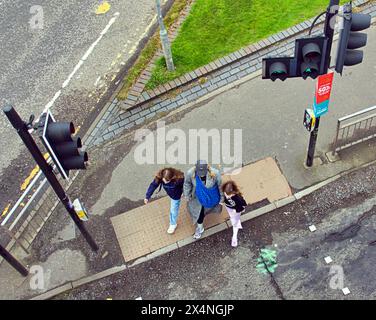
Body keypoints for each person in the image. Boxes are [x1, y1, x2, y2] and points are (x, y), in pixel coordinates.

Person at [183, 160, 223, 239]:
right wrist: (187, 195)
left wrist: (222, 199)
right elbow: (187, 184)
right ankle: (200, 228)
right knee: (199, 213)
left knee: (207, 209)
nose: (201, 175)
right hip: (197, 197)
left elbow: (220, 186)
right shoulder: (190, 173)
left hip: (210, 196)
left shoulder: (215, 173)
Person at [144, 168, 184, 234]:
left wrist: (184, 192)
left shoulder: (179, 179)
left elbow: (185, 185)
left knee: (173, 210)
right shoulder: (160, 177)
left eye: (167, 180)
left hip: (176, 196)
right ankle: (173, 224)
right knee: (173, 210)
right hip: (172, 195)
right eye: (164, 180)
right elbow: (153, 185)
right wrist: (147, 196)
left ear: (172, 177)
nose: (165, 182)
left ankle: (172, 224)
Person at [221, 180, 247, 247]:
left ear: (233, 193)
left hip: (235, 210)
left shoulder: (238, 198)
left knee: (235, 223)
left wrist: (236, 211)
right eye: (225, 194)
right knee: (234, 220)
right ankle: (234, 236)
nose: (227, 196)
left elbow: (242, 207)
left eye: (228, 195)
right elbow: (225, 198)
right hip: (230, 208)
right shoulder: (226, 193)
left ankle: (234, 237)